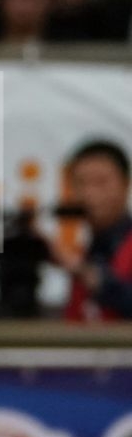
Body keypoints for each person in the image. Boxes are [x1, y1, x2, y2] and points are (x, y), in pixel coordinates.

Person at [55, 138, 132, 323]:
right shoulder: (86, 251)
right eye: (81, 183)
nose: (90, 194)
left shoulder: (81, 263)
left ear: (126, 184)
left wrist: (86, 273)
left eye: (101, 182)